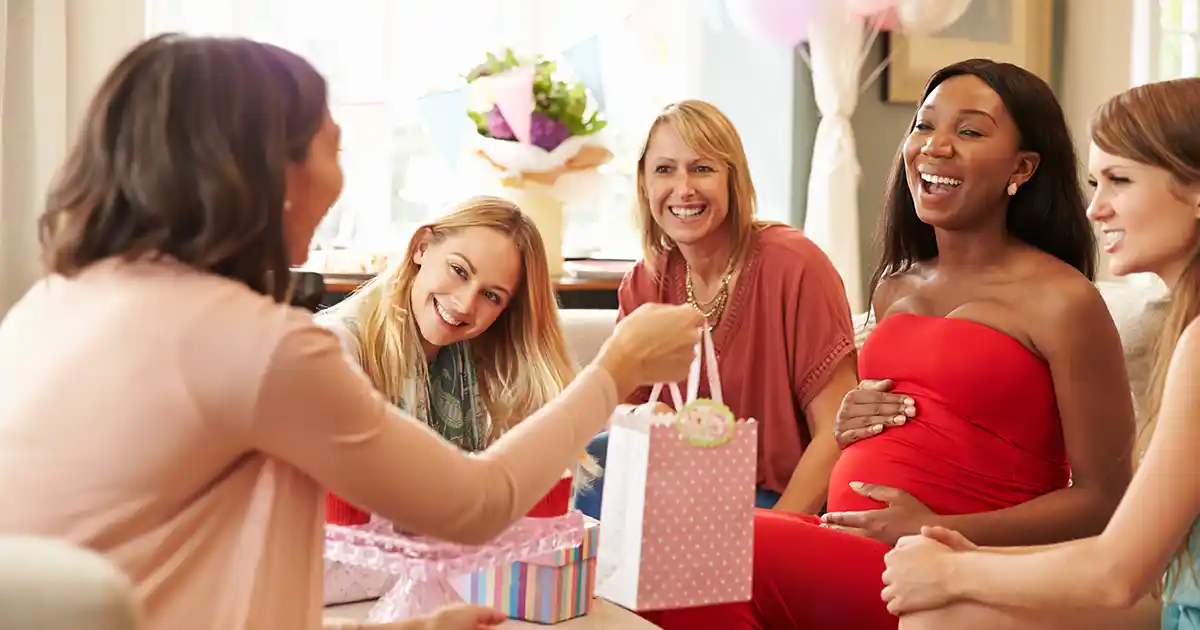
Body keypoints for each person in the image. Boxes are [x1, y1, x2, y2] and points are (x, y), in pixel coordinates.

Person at [0, 33, 706, 630]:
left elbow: (181, 585)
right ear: (267, 169)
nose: (342, 181)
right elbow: (474, 505)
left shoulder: (52, 306)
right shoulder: (262, 346)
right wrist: (614, 368)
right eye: (331, 145)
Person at [643, 59, 1137, 630]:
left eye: (970, 131)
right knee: (673, 556)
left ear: (1022, 167)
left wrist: (932, 529)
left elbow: (1106, 499)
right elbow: (916, 416)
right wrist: (849, 423)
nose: (936, 147)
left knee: (709, 554)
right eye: (924, 126)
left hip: (950, 565)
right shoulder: (894, 287)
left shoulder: (1064, 301)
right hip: (849, 541)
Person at [880, 77, 1200, 630]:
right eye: (1095, 182)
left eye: (1120, 181)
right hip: (1166, 595)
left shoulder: (1185, 340)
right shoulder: (1181, 331)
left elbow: (1117, 569)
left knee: (940, 614)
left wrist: (951, 568)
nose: (1096, 209)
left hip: (1158, 596)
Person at [572, 99, 858, 518]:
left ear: (732, 179)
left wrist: (776, 534)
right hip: (676, 495)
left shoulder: (794, 265)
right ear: (644, 185)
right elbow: (613, 405)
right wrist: (644, 413)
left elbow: (836, 430)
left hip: (776, 502)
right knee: (598, 459)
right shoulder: (646, 280)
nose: (683, 189)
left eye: (702, 168)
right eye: (665, 170)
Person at [317, 197, 595, 604]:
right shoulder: (333, 349)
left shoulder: (472, 370)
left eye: (493, 296)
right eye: (459, 270)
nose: (466, 304)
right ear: (422, 247)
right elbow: (320, 557)